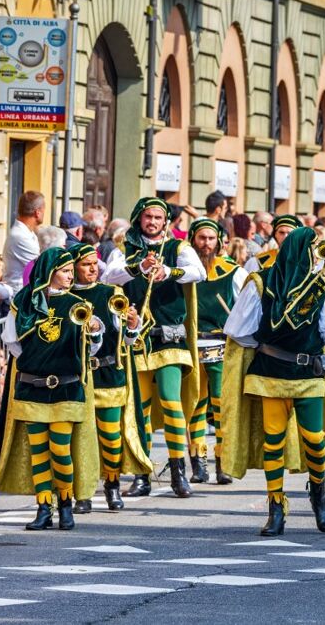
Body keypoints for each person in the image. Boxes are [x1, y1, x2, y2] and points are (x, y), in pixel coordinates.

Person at [222, 227, 325, 536]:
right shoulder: (262, 282)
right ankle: (276, 506)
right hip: (271, 372)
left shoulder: (320, 287)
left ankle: (318, 493)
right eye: (313, 249)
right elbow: (238, 328)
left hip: (309, 373)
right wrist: (267, 344)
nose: (317, 256)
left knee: (315, 440)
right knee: (273, 440)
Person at [100, 197, 207, 498]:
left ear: (166, 222)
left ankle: (178, 471)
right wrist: (138, 266)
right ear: (139, 218)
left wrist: (168, 272)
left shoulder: (177, 248)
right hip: (136, 336)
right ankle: (141, 473)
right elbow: (109, 277)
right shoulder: (124, 249)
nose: (153, 222)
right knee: (140, 408)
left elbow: (199, 272)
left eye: (158, 217)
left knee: (172, 402)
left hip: (169, 336)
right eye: (148, 216)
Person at [0, 248, 103, 530]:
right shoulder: (25, 301)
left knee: (60, 449)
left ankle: (65, 504)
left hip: (66, 388)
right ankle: (44, 507)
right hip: (32, 386)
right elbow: (12, 341)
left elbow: (91, 347)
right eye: (65, 271)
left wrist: (93, 330)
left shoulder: (78, 303)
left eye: (70, 271)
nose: (70, 276)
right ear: (49, 272)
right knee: (39, 450)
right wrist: (36, 361)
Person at [67, 243, 151, 513]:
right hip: (78, 376)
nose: (92, 268)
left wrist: (133, 325)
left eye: (95, 264)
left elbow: (127, 340)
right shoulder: (64, 297)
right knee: (81, 438)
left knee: (110, 437)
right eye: (85, 264)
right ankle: (83, 492)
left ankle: (112, 485)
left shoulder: (111, 293)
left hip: (108, 372)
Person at [187, 218, 247, 485]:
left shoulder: (234, 272)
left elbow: (246, 309)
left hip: (221, 346)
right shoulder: (185, 272)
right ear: (193, 240)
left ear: (220, 241)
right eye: (201, 238)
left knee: (222, 406)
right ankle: (197, 461)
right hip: (190, 345)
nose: (206, 244)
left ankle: (223, 461)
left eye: (211, 238)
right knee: (194, 404)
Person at [3, 191, 44, 292]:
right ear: (37, 212)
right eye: (44, 210)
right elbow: (42, 267)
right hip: (18, 297)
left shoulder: (27, 233)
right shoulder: (20, 236)